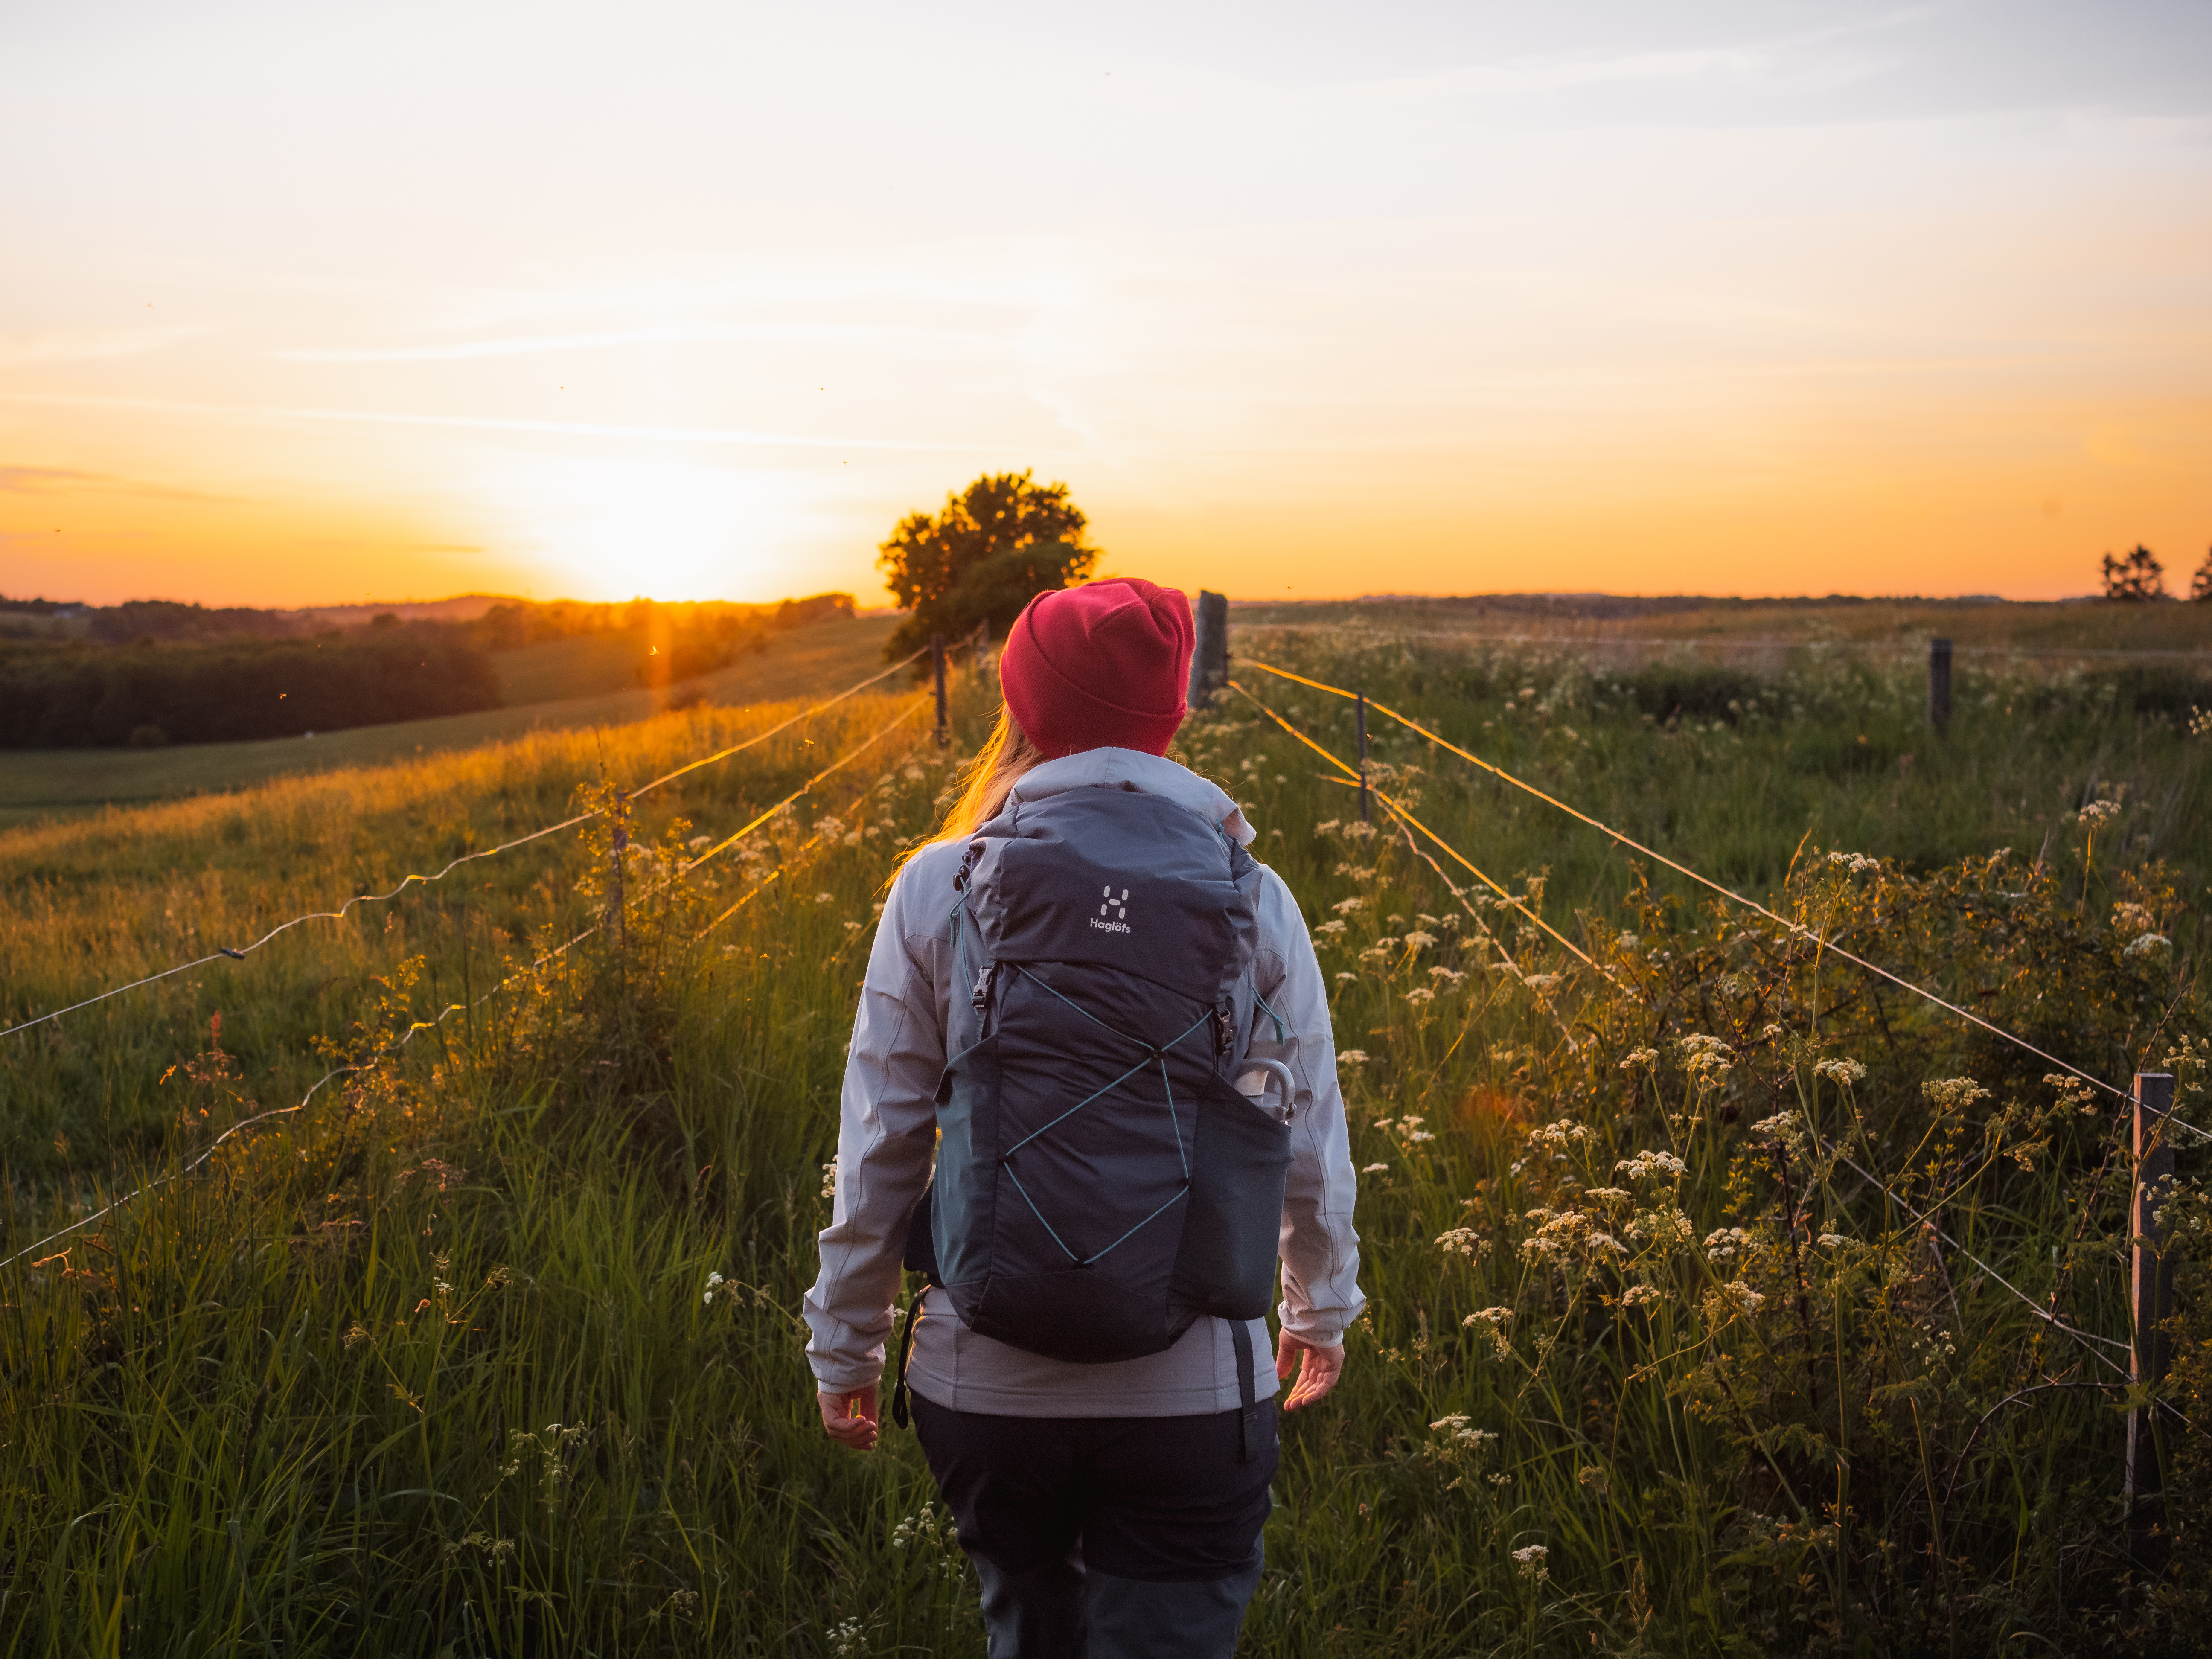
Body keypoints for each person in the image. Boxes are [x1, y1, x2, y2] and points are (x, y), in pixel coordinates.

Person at [803, 577, 1365, 1658]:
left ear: (1020, 707)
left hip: (980, 1384)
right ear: (1174, 714)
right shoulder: (1256, 896)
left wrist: (847, 1345)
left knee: (1031, 1638)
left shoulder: (938, 886)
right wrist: (1321, 1304)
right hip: (1195, 1397)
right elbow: (1305, 1131)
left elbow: (878, 1145)